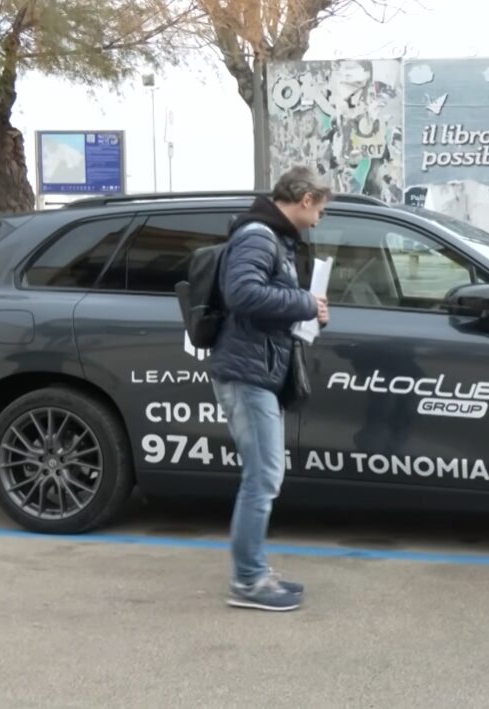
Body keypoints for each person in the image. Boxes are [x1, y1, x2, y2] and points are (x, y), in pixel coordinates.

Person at [210, 166, 331, 611]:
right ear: (306, 199)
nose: (318, 219)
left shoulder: (271, 238)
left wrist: (309, 312)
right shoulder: (258, 237)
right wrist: (304, 302)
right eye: (320, 209)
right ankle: (248, 581)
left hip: (258, 372)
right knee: (262, 478)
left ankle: (255, 571)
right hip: (247, 375)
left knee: (264, 476)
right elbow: (242, 294)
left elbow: (263, 301)